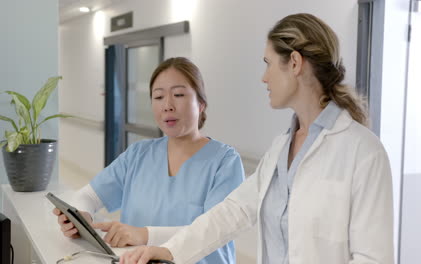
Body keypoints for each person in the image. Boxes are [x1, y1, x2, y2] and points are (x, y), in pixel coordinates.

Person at [121, 13, 394, 264]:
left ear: (295, 63)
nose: (264, 78)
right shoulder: (281, 149)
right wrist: (169, 250)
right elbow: (232, 212)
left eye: (269, 64)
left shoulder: (363, 151)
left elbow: (373, 258)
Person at [52, 57, 244, 264]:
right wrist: (82, 216)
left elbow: (215, 230)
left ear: (201, 103)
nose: (167, 106)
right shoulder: (138, 155)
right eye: (158, 97)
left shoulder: (224, 162)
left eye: (178, 95)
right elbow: (89, 195)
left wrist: (144, 234)